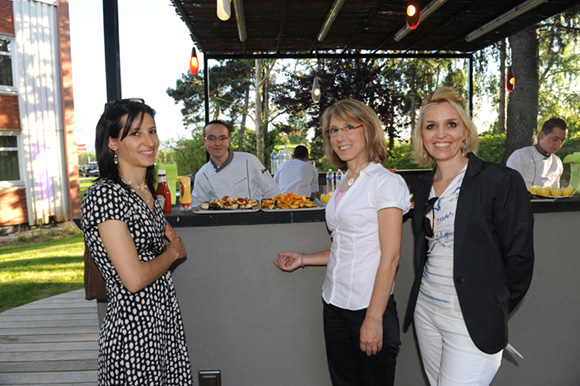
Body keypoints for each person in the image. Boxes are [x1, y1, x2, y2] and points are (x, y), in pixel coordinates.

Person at [403, 87, 534, 385]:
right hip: (426, 312)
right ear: (422, 135)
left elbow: (520, 258)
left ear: (465, 131)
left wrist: (490, 307)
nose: (441, 134)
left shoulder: (499, 181)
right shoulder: (422, 186)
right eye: (430, 126)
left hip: (471, 319)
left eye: (451, 124)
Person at [274, 99, 411, 386]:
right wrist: (304, 258)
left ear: (368, 130)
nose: (340, 136)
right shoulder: (346, 182)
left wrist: (373, 319)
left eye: (349, 127)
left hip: (368, 306)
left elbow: (391, 257)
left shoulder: (385, 182)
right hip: (334, 303)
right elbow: (345, 245)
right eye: (333, 130)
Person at [81, 98, 193, 385]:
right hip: (133, 335)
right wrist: (173, 252)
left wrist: (160, 229)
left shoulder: (145, 192)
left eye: (152, 131)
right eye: (136, 133)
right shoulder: (105, 196)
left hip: (162, 323)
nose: (150, 141)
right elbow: (133, 279)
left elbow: (143, 238)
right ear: (113, 143)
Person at [191, 120, 280, 207]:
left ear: (228, 141)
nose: (217, 143)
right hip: (222, 220)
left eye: (222, 138)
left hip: (255, 219)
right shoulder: (202, 175)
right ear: (204, 142)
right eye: (211, 138)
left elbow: (272, 191)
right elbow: (198, 207)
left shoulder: (249, 160)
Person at [506, 117, 568, 188]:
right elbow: (509, 185)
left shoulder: (557, 162)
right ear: (542, 135)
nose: (558, 145)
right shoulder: (520, 156)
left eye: (562, 141)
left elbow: (555, 191)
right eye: (555, 139)